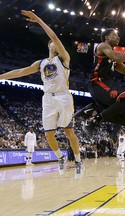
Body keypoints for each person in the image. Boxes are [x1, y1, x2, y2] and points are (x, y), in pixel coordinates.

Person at [0, 10, 83, 178]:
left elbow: (53, 36)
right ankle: (60, 158)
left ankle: (78, 160)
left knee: (69, 132)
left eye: (56, 43)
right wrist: (1, 76)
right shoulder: (41, 63)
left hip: (64, 96)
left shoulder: (64, 58)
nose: (55, 43)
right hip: (48, 98)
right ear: (48, 47)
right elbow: (20, 71)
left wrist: (38, 20)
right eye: (51, 43)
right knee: (48, 134)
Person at [74, 29, 125, 138]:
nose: (118, 37)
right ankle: (93, 121)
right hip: (97, 82)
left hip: (106, 83)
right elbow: (117, 57)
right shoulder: (103, 46)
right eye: (115, 35)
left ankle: (95, 109)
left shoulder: (112, 55)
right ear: (106, 37)